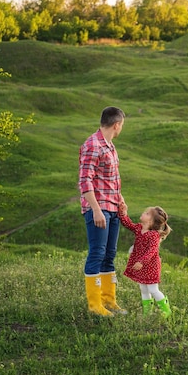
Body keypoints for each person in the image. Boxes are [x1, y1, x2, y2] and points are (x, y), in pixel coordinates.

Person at [79, 106, 126, 317]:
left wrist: (120, 200)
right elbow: (84, 181)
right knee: (97, 253)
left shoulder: (110, 146)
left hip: (113, 208)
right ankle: (94, 305)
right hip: (98, 210)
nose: (121, 128)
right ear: (116, 124)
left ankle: (109, 300)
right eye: (122, 125)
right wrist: (96, 210)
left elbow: (111, 180)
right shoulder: (92, 145)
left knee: (110, 255)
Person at [118, 202, 173, 318]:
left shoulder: (153, 235)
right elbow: (127, 224)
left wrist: (141, 261)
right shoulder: (139, 228)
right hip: (141, 265)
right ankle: (147, 312)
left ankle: (166, 310)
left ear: (151, 221)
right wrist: (123, 213)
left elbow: (151, 251)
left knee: (153, 289)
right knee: (143, 288)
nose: (143, 213)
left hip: (150, 266)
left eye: (147, 213)